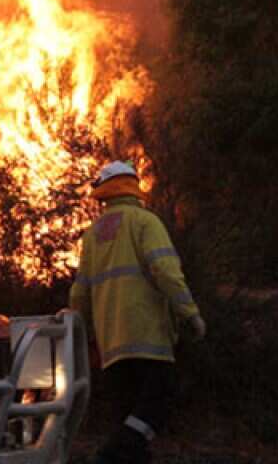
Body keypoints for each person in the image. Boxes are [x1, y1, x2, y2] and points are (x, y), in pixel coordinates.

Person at [70, 161, 206, 464]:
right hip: (149, 337)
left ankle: (120, 453)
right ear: (132, 188)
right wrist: (190, 313)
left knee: (127, 416)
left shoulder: (92, 235)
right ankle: (107, 455)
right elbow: (167, 272)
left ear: (103, 193)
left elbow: (79, 291)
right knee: (159, 401)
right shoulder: (145, 222)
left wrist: (81, 332)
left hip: (111, 345)